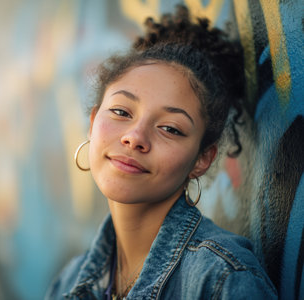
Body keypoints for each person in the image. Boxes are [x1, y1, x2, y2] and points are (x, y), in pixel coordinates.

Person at [46, 6, 277, 300]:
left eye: (170, 128)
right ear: (93, 123)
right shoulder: (69, 282)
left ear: (202, 159)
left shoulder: (222, 280)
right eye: (121, 111)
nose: (135, 137)